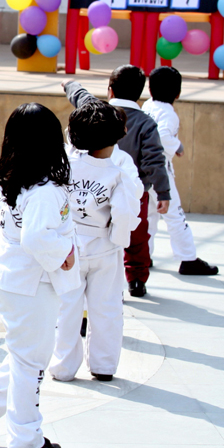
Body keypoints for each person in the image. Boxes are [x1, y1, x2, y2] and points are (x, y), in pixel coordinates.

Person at [0, 103, 78, 448]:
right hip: (30, 283)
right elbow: (35, 237)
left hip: (15, 279)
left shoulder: (15, 175)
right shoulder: (44, 189)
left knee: (26, 355)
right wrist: (64, 253)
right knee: (32, 362)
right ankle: (26, 439)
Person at [49, 101, 140, 383]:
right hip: (104, 245)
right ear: (117, 136)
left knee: (67, 307)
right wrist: (119, 239)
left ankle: (63, 366)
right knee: (107, 307)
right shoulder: (117, 173)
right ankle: (103, 366)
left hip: (68, 245)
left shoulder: (62, 165)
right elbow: (125, 212)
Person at [64, 66, 171, 297]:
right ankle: (136, 279)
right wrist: (163, 191)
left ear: (110, 91)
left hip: (94, 186)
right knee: (136, 236)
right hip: (135, 191)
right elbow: (154, 159)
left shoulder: (96, 112)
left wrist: (68, 85)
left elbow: (80, 96)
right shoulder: (147, 123)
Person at [142, 67, 218, 276]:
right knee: (174, 215)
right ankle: (187, 258)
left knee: (149, 216)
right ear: (178, 93)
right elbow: (163, 135)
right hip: (161, 174)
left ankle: (144, 255)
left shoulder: (147, 106)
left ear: (150, 89)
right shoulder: (168, 113)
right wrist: (178, 146)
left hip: (144, 171)